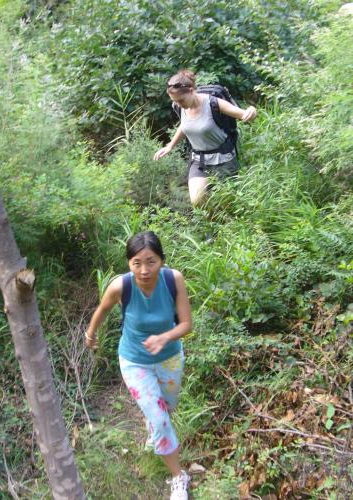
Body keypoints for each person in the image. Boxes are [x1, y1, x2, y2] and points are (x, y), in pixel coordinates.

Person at [85, 231, 192, 500]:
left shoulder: (173, 280)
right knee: (160, 419)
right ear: (129, 263)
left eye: (151, 261)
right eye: (136, 263)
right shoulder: (121, 286)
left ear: (162, 260)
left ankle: (153, 426)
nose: (144, 270)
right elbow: (102, 310)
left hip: (169, 356)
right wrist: (91, 334)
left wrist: (164, 337)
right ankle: (179, 477)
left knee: (166, 407)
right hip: (134, 361)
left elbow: (186, 325)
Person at [153, 69, 257, 206]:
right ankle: (211, 224)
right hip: (199, 160)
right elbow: (185, 125)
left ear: (191, 90)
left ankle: (224, 224)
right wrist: (170, 146)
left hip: (223, 160)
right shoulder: (181, 107)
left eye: (180, 100)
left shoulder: (214, 103)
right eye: (175, 101)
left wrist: (252, 111)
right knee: (197, 202)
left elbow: (244, 115)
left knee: (229, 203)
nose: (178, 104)